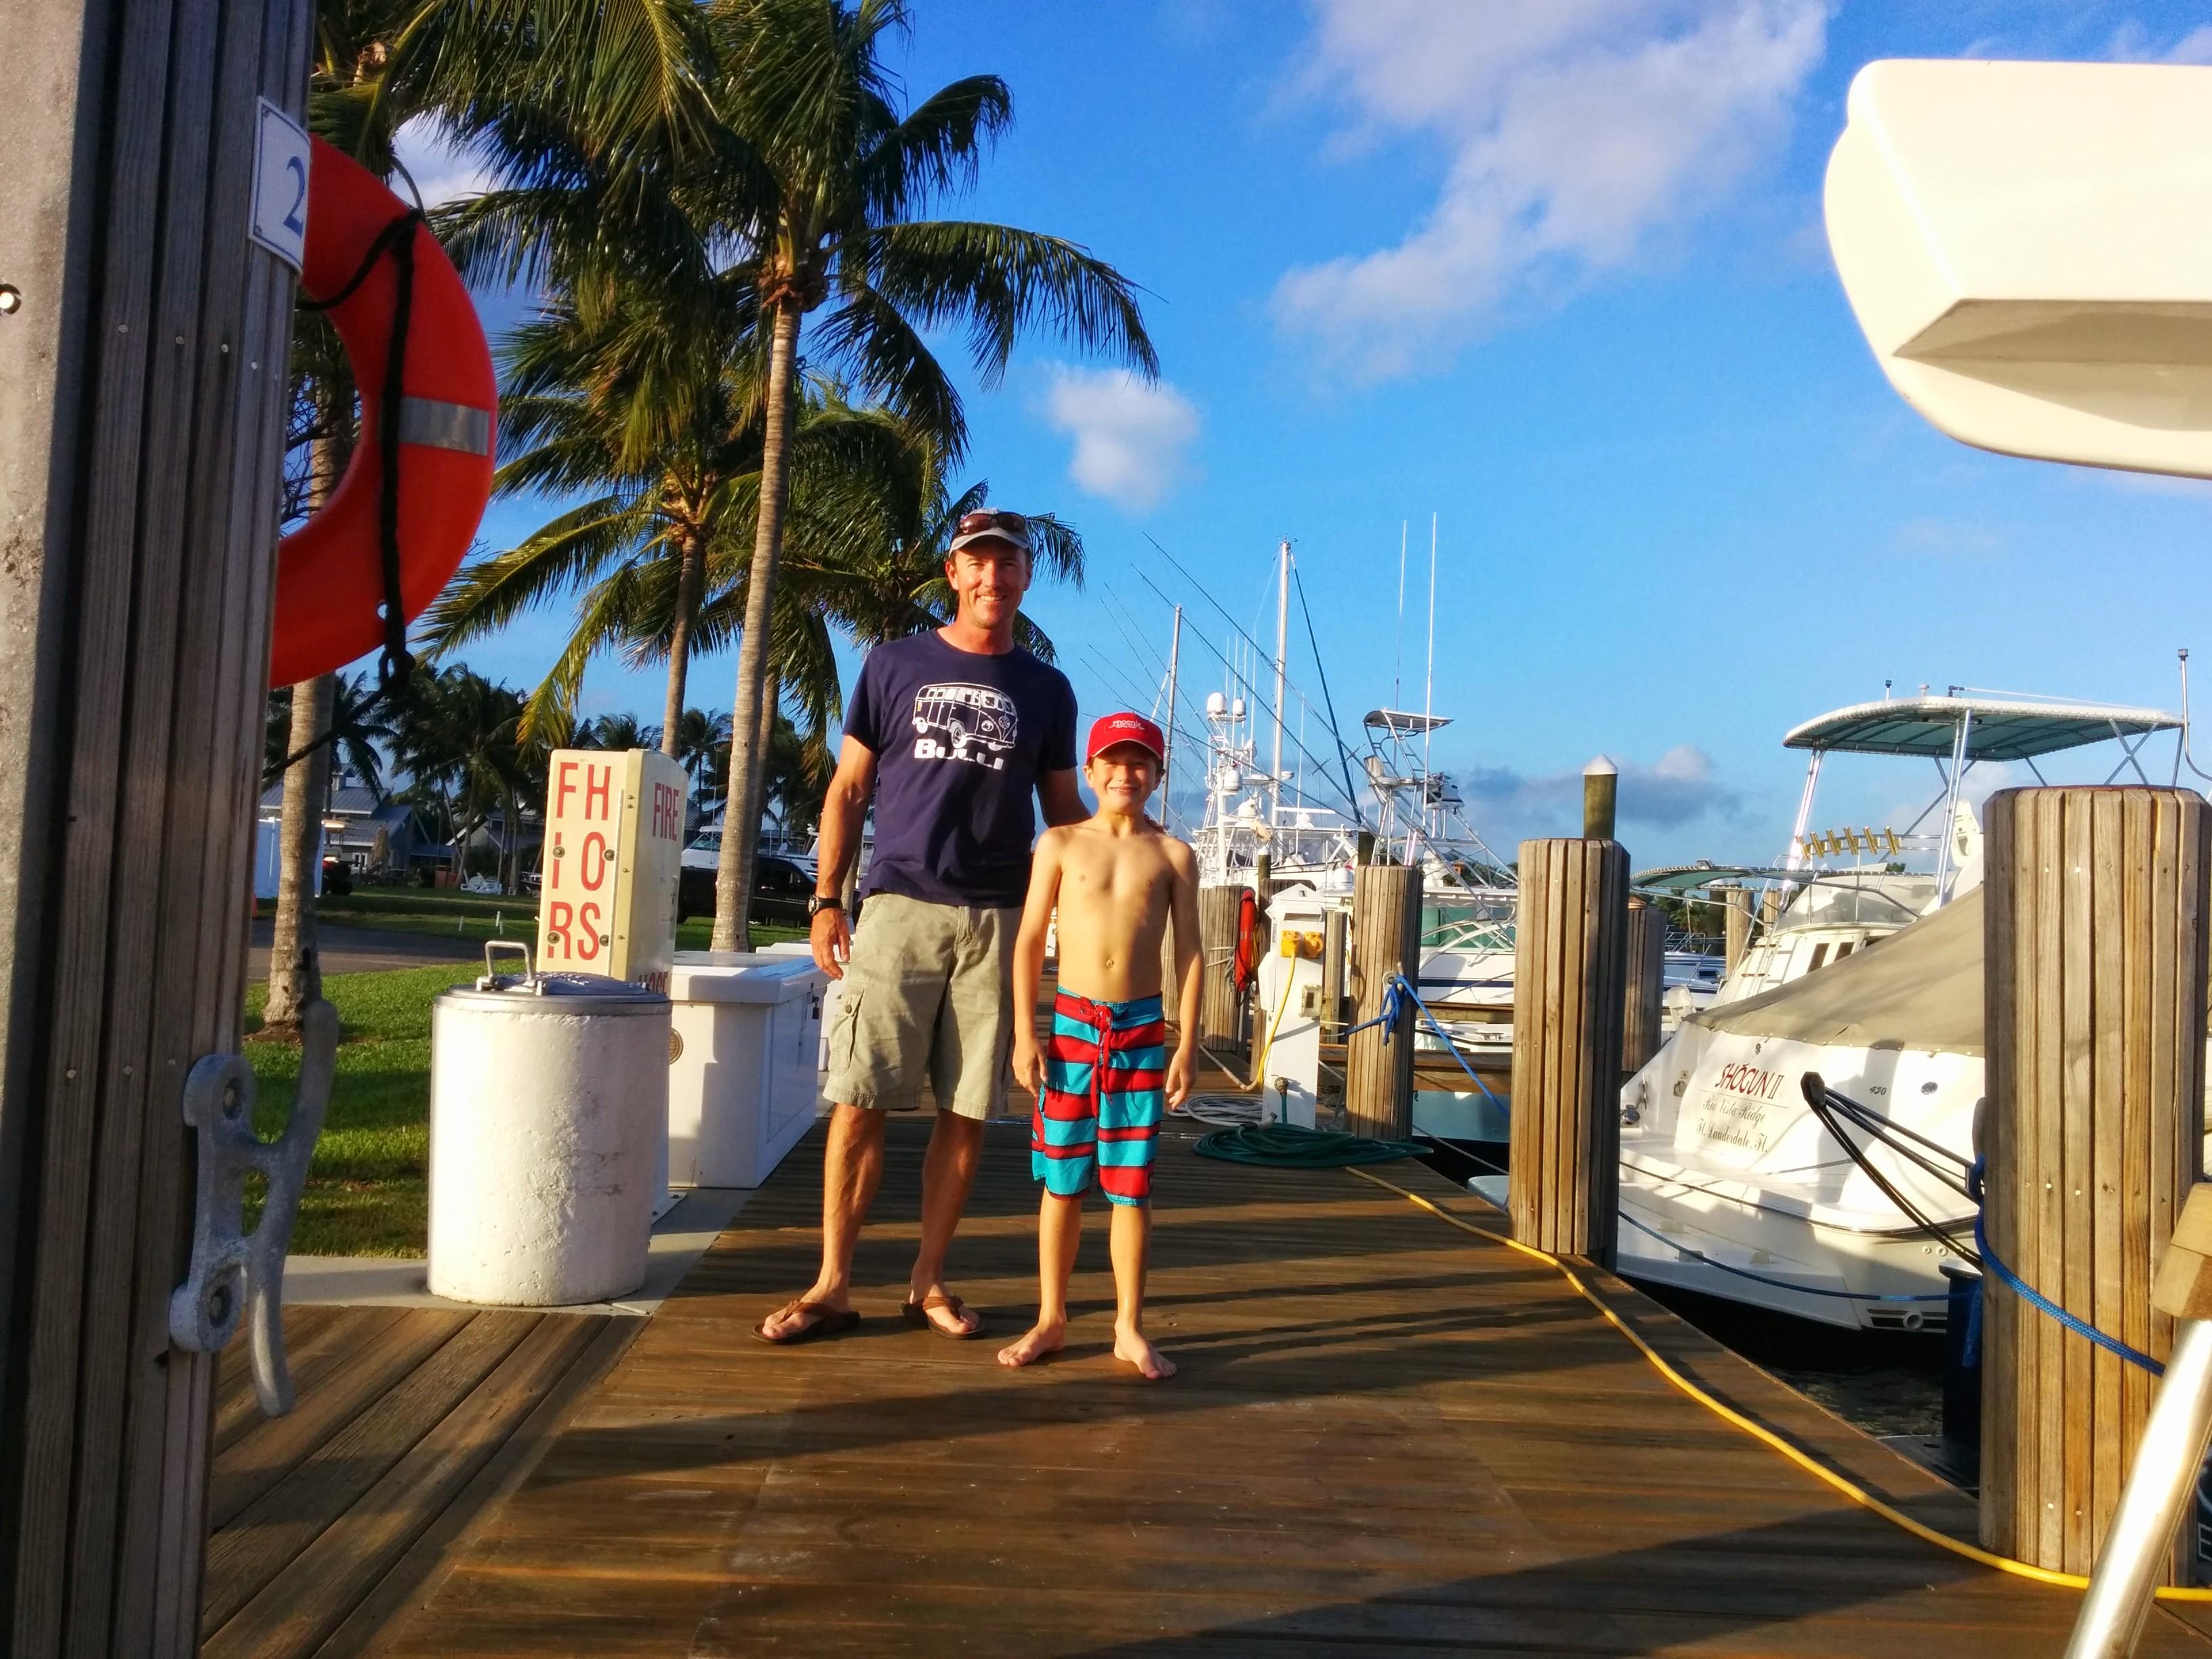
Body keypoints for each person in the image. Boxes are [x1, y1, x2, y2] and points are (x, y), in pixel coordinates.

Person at [756, 509, 1084, 1345]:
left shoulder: (1048, 689)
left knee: (968, 1111)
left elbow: (1063, 811)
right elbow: (848, 789)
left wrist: (1131, 857)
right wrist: (827, 899)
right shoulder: (894, 663)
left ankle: (927, 1280)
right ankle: (832, 1283)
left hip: (1001, 920)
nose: (992, 577)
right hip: (898, 906)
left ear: (1025, 577)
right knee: (858, 1099)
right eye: (978, 561)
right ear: (953, 573)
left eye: (1007, 563)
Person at [998, 712, 1200, 1380]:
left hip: (1141, 1032)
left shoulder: (1174, 855)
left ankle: (1128, 1326)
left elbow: (1191, 952)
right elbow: (1031, 939)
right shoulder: (1059, 843)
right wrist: (1025, 1033)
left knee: (1131, 1186)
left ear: (1158, 775)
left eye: (1139, 762)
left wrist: (1188, 1043)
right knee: (1062, 1182)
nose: (1125, 773)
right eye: (1112, 761)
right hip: (1072, 1030)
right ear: (1089, 771)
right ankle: (1051, 1318)